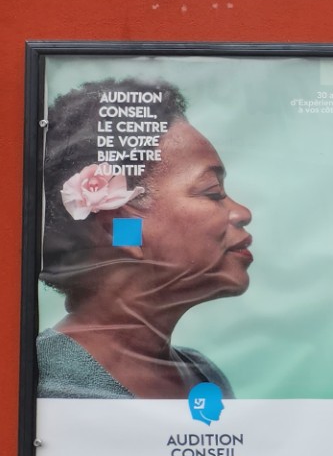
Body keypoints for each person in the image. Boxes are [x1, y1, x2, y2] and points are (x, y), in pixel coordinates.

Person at [37, 79, 252, 399]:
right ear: (122, 227)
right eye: (213, 192)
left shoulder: (203, 376)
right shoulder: (46, 385)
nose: (243, 213)